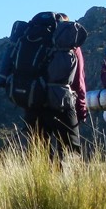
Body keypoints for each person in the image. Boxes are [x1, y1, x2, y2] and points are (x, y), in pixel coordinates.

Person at [21, 12, 88, 157]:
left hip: (34, 104)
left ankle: (40, 179)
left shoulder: (32, 40)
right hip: (62, 104)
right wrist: (81, 109)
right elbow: (78, 81)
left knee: (39, 154)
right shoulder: (69, 43)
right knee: (71, 152)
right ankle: (68, 178)